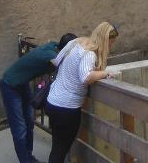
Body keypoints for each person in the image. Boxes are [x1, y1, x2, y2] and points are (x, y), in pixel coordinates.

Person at [45, 22, 119, 163]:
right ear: (105, 40)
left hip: (53, 101)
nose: (111, 46)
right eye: (111, 42)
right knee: (60, 150)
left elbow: (57, 60)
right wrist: (105, 73)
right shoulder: (89, 54)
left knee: (57, 146)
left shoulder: (76, 42)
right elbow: (86, 77)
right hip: (67, 108)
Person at [0, 33, 77, 163]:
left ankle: (28, 156)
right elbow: (65, 66)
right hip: (10, 85)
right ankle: (26, 160)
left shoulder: (53, 46)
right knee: (19, 127)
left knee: (29, 122)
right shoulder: (51, 56)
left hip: (22, 83)